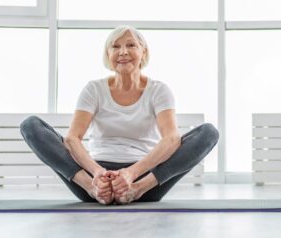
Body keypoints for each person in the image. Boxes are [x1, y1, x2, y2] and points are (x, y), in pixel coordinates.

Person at [20, 25, 219, 205]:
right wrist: (97, 176)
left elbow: (171, 138)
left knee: (209, 133)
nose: (123, 52)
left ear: (143, 52)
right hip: (97, 176)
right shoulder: (94, 89)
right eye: (115, 47)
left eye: (131, 45)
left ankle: (134, 191)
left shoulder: (159, 90)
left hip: (144, 178)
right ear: (108, 54)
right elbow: (73, 138)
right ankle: (93, 190)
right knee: (30, 125)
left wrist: (132, 174)